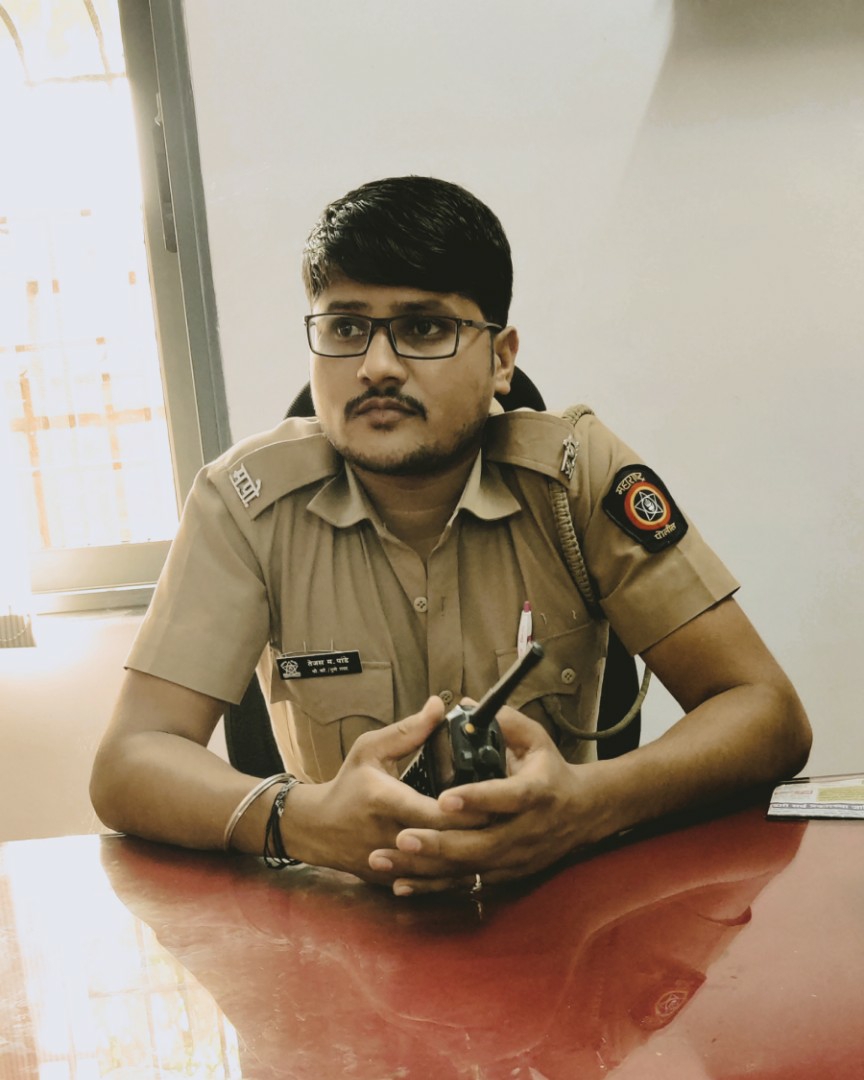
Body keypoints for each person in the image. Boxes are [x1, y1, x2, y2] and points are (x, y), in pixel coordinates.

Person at [90, 176, 811, 897]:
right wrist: (301, 821)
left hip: (559, 907)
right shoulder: (246, 504)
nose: (376, 366)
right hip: (345, 916)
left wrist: (587, 806)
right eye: (345, 328)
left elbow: (766, 711)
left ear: (501, 358)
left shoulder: (574, 478)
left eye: (424, 328)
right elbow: (129, 761)